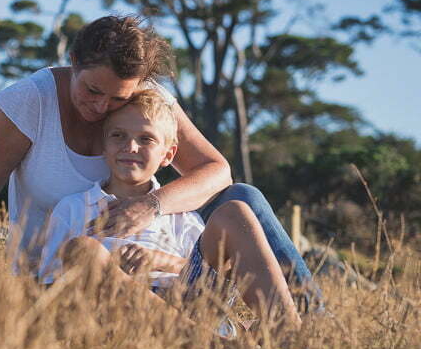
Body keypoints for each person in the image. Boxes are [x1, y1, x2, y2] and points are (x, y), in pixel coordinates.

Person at [0, 15, 322, 311]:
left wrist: (150, 206)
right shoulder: (30, 100)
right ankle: (208, 345)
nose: (101, 107)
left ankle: (306, 324)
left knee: (241, 198)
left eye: (118, 99)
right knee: (87, 258)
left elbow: (217, 170)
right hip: (68, 271)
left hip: (164, 274)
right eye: (93, 90)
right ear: (73, 61)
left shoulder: (146, 98)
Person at [37, 90, 302, 330]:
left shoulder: (180, 212)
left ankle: (287, 332)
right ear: (103, 146)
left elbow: (213, 275)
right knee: (83, 250)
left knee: (235, 211)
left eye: (146, 139)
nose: (130, 147)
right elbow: (49, 285)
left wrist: (157, 260)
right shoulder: (74, 207)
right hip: (113, 307)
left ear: (167, 155)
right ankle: (212, 348)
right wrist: (107, 268)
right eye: (118, 136)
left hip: (182, 301)